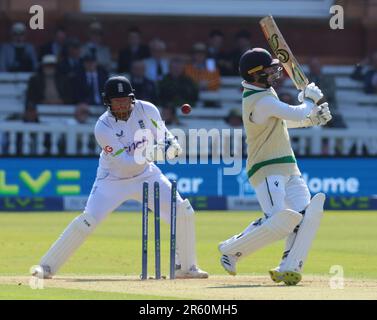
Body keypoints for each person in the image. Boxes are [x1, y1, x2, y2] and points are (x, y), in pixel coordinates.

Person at [32, 75, 208, 280]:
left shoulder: (147, 109)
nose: (123, 105)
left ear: (132, 98)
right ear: (108, 102)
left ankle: (185, 267)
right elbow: (125, 162)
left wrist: (172, 145)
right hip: (112, 180)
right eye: (117, 101)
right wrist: (157, 152)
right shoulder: (103, 127)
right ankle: (46, 266)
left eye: (126, 100)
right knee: (88, 221)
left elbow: (163, 136)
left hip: (147, 176)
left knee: (183, 211)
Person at [218, 48, 332, 285]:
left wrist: (312, 118)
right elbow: (294, 113)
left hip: (288, 165)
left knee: (304, 217)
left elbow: (283, 123)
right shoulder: (259, 100)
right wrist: (309, 101)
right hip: (266, 167)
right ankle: (230, 249)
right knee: (279, 221)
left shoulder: (265, 93)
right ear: (255, 74)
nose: (274, 73)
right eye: (269, 70)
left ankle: (288, 267)